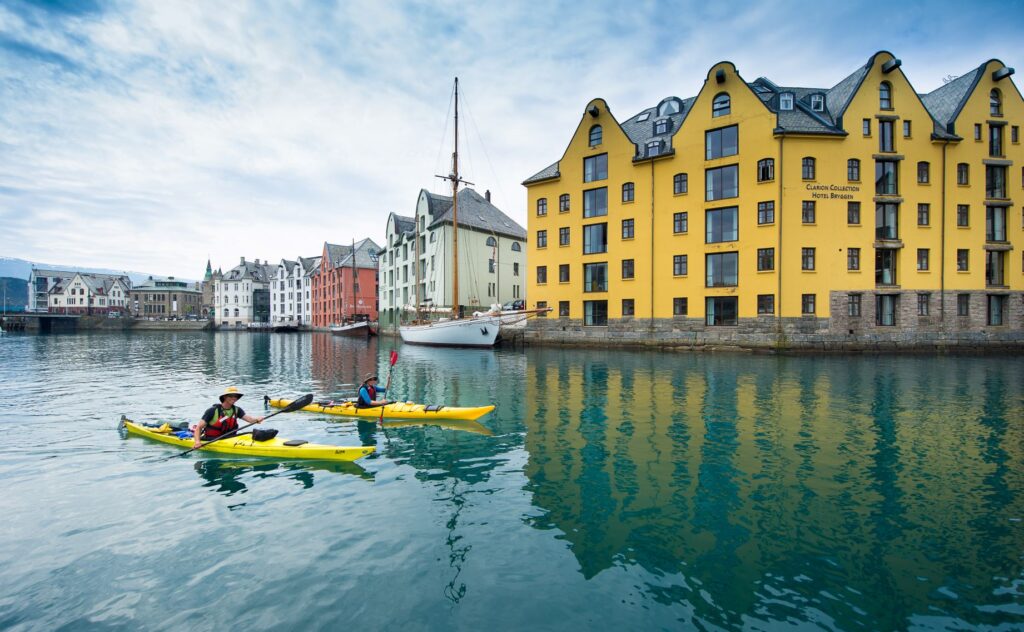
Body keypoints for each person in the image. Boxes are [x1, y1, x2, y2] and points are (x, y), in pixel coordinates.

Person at [193, 386, 264, 448]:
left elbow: (250, 420)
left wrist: (257, 419)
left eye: (235, 396)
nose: (234, 398)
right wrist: (197, 442)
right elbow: (199, 427)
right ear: (224, 397)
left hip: (229, 438)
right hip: (212, 439)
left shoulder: (237, 410)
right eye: (231, 396)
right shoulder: (212, 410)